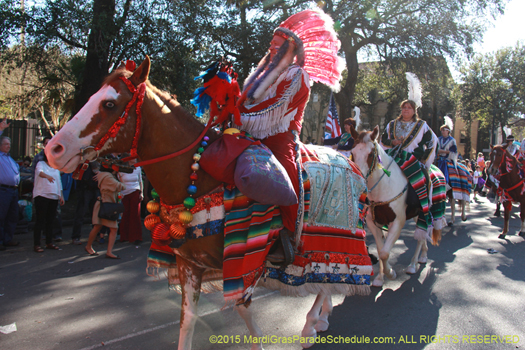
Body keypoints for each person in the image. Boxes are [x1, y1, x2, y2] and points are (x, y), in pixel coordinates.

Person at [235, 9, 343, 238]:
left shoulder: (297, 75)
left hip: (281, 137)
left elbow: (274, 107)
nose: (271, 48)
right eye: (270, 44)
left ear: (289, 49)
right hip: (252, 135)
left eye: (275, 44)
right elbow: (246, 104)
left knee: (285, 171)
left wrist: (239, 116)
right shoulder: (265, 76)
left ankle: (290, 229)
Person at [381, 99, 438, 240]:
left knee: (423, 176)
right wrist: (392, 142)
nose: (406, 110)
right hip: (393, 157)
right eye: (404, 107)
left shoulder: (422, 126)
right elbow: (383, 139)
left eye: (409, 108)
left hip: (413, 160)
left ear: (414, 111)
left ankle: (423, 206)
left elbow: (432, 142)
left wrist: (424, 158)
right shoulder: (392, 124)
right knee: (376, 174)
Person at [85, 165, 125, 259]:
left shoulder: (103, 175)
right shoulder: (108, 177)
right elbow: (122, 186)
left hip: (103, 204)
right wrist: (121, 176)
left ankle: (89, 246)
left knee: (98, 226)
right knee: (113, 228)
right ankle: (108, 251)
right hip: (107, 205)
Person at [32, 153, 64, 252]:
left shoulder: (56, 167)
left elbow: (59, 181)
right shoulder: (41, 163)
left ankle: (49, 242)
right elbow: (39, 172)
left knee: (51, 220)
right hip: (42, 195)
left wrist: (61, 195)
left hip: (53, 196)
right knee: (40, 220)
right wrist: (47, 176)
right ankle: (37, 244)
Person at [0, 118, 20, 251]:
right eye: (6, 144)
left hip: (13, 191)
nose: (8, 146)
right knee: (1, 216)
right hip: (3, 191)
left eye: (9, 144)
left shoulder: (10, 158)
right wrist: (1, 129)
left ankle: (8, 239)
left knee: (12, 216)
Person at [71, 161, 100, 245]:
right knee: (80, 214)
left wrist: (100, 175)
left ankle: (96, 234)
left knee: (95, 214)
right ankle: (76, 236)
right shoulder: (82, 162)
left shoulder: (98, 160)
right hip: (84, 189)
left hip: (94, 189)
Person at [117, 156, 143, 244]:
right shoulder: (122, 169)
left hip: (135, 191)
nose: (135, 159)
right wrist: (120, 194)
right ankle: (125, 236)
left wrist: (141, 192)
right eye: (133, 158)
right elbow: (120, 182)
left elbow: (140, 180)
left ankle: (136, 237)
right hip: (124, 194)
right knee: (125, 214)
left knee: (135, 214)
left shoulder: (138, 168)